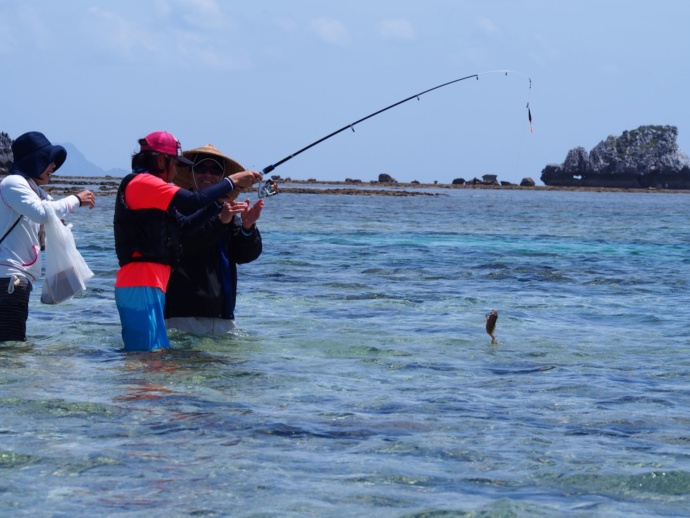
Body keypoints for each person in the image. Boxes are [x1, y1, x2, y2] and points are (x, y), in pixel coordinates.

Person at [113, 131, 261, 352]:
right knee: (143, 359)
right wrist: (231, 183)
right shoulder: (143, 182)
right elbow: (193, 204)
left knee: (153, 360)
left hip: (152, 282)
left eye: (215, 171)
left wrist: (222, 208)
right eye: (175, 163)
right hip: (143, 280)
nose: (175, 171)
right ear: (161, 160)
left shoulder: (154, 192)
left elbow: (184, 226)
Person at [0, 131, 96, 342]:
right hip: (8, 279)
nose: (53, 166)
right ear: (35, 161)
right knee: (10, 347)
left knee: (11, 346)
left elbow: (46, 217)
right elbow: (42, 213)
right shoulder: (13, 183)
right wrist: (76, 200)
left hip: (16, 280)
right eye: (49, 161)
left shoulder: (37, 193)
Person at [165, 143, 264, 335]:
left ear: (222, 177)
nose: (208, 175)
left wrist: (247, 228)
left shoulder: (228, 209)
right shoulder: (178, 207)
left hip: (222, 314)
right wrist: (220, 220)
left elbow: (244, 256)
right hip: (181, 312)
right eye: (201, 168)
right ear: (191, 173)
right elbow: (183, 244)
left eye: (215, 170)